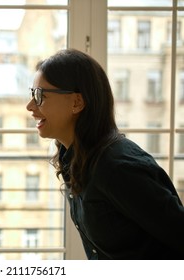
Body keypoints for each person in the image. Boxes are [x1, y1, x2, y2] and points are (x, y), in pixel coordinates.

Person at [26, 48, 184, 260]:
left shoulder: (118, 168)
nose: (30, 106)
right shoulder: (72, 157)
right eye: (32, 94)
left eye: (40, 96)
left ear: (77, 102)